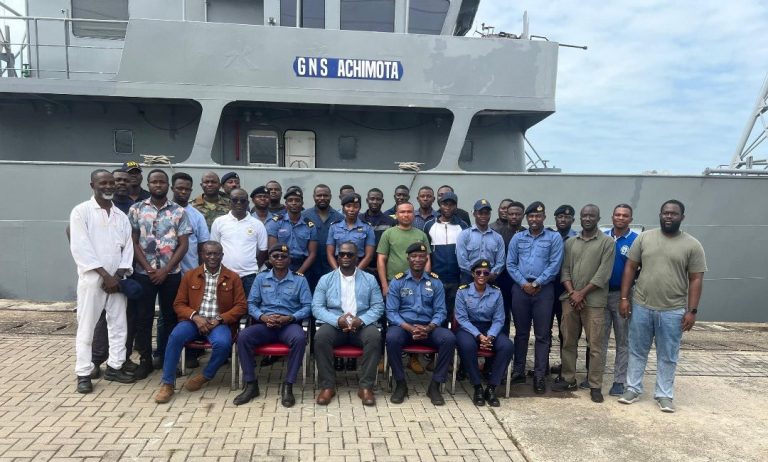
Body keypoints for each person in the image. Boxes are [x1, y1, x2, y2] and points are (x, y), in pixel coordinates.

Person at [618, 200, 706, 413]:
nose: (669, 216)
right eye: (665, 213)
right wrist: (624, 298)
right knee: (637, 350)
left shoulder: (692, 245)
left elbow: (696, 278)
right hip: (641, 305)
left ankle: (664, 395)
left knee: (668, 354)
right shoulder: (645, 238)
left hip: (673, 310)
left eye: (674, 214)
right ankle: (632, 388)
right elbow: (630, 267)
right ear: (660, 214)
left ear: (681, 217)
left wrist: (692, 310)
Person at [153, 241, 247, 403]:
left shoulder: (233, 277)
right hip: (194, 321)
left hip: (219, 323)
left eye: (216, 253)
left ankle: (205, 375)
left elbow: (241, 306)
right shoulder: (190, 276)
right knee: (175, 336)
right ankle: (167, 383)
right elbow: (179, 304)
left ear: (222, 255)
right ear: (201, 255)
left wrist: (219, 319)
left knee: (223, 344)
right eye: (208, 253)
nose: (212, 257)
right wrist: (195, 317)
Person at [69, 169, 136, 393]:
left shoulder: (121, 216)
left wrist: (117, 276)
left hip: (117, 280)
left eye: (111, 183)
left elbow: (128, 248)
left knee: (119, 325)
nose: (108, 187)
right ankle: (83, 372)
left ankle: (115, 366)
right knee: (87, 327)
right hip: (92, 279)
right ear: (93, 186)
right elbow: (81, 247)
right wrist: (105, 276)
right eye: (103, 183)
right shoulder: (82, 211)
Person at [127, 169, 191, 379]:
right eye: (154, 182)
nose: (158, 185)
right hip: (144, 274)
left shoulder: (179, 212)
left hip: (170, 274)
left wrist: (165, 269)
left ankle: (168, 359)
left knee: (171, 317)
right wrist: (148, 268)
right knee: (143, 318)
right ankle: (145, 360)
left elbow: (183, 244)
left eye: (162, 182)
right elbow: (133, 242)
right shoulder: (136, 209)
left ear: (168, 186)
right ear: (149, 183)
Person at [234, 244, 313, 408]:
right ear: (270, 259)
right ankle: (251, 384)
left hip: (288, 325)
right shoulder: (261, 278)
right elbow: (251, 304)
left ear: (289, 259)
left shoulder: (300, 279)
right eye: (275, 256)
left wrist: (290, 317)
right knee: (243, 336)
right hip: (266, 325)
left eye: (283, 256)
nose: (279, 259)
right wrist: (262, 317)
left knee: (299, 338)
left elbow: (308, 307)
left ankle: (288, 385)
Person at [552, 205, 615, 403]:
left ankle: (595, 384)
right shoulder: (571, 242)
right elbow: (565, 270)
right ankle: (569, 378)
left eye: (591, 215)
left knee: (595, 345)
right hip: (569, 300)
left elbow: (603, 274)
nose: (587, 218)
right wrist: (572, 293)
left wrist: (582, 294)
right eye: (584, 215)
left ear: (598, 218)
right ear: (580, 218)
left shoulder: (607, 243)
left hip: (594, 302)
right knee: (568, 342)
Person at [312, 242, 385, 406]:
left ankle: (365, 387)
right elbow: (316, 307)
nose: (345, 257)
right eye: (342, 254)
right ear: (337, 257)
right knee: (321, 337)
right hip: (335, 324)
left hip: (361, 325)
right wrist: (337, 320)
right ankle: (327, 386)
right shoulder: (326, 279)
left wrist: (362, 320)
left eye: (349, 254)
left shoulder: (369, 279)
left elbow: (378, 306)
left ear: (357, 257)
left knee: (374, 337)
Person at [385, 243, 455, 405]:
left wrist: (430, 327)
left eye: (421, 256)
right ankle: (400, 384)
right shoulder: (398, 281)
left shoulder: (435, 282)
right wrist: (409, 328)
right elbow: (391, 312)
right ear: (408, 259)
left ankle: (435, 385)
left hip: (428, 328)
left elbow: (440, 311)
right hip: (404, 327)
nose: (418, 259)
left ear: (426, 259)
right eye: (414, 256)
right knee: (391, 338)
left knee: (449, 338)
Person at [506, 201, 564, 394]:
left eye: (538, 216)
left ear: (543, 217)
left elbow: (555, 265)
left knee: (542, 335)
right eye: (531, 216)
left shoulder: (553, 238)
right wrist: (524, 283)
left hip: (544, 290)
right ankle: (518, 370)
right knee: (521, 333)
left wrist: (537, 283)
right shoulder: (518, 238)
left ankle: (539, 375)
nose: (534, 219)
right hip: (520, 288)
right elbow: (511, 264)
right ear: (526, 218)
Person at [454, 259, 513, 407]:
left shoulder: (496, 292)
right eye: (478, 272)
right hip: (468, 328)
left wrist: (491, 335)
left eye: (485, 273)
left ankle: (492, 388)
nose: (482, 275)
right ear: (473, 274)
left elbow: (499, 319)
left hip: (490, 328)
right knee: (467, 346)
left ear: (489, 275)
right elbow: (461, 318)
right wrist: (478, 336)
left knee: (507, 346)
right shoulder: (462, 291)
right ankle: (477, 387)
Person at [601, 204, 639, 397]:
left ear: (630, 219)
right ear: (612, 216)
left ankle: (619, 380)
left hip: (622, 296)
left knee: (623, 340)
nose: (621, 218)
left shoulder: (635, 240)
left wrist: (626, 297)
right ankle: (595, 378)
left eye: (625, 215)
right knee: (600, 339)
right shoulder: (603, 236)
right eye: (617, 214)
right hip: (600, 294)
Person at [210, 188, 268, 296]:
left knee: (249, 308)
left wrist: (254, 268)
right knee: (226, 307)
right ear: (229, 202)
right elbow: (214, 248)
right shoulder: (219, 222)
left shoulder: (257, 224)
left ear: (248, 202)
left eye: (242, 200)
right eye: (235, 200)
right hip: (225, 273)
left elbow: (264, 250)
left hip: (250, 276)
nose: (239, 203)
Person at [423, 191, 469, 324]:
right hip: (437, 279)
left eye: (451, 204)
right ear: (439, 205)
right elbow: (427, 253)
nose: (448, 207)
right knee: (438, 313)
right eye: (445, 204)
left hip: (457, 279)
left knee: (456, 316)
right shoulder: (429, 225)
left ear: (456, 207)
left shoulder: (463, 226)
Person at [547, 204, 579, 379]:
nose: (563, 220)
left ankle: (565, 368)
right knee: (544, 329)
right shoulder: (549, 236)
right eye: (560, 217)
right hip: (549, 286)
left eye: (567, 217)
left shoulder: (578, 238)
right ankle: (542, 364)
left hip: (568, 289)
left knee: (566, 331)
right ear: (555, 219)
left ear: (572, 220)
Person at [491, 200, 526, 336]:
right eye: (511, 214)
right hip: (502, 280)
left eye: (517, 214)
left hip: (520, 282)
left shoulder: (526, 233)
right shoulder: (498, 233)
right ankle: (503, 348)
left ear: (522, 215)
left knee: (520, 319)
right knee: (503, 316)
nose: (514, 217)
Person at [302, 184, 344, 289]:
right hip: (309, 266)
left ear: (330, 196)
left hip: (331, 265)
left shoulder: (340, 217)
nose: (322, 198)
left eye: (325, 195)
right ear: (313, 197)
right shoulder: (304, 216)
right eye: (319, 195)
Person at [456, 199, 505, 285]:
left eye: (486, 213)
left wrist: (490, 274)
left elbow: (501, 261)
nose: (483, 216)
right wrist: (477, 274)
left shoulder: (498, 237)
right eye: (480, 213)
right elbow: (462, 261)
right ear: (474, 214)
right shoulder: (464, 235)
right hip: (469, 278)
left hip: (490, 279)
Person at [171, 173, 210, 275]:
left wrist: (201, 272)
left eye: (187, 189)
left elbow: (203, 247)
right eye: (180, 188)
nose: (183, 192)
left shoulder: (197, 216)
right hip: (166, 274)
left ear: (191, 190)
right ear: (172, 188)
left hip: (189, 272)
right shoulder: (164, 212)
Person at [327, 193, 376, 271]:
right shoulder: (334, 227)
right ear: (343, 208)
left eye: (356, 206)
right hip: (338, 267)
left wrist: (357, 272)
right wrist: (337, 272)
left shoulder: (367, 227)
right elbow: (329, 254)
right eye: (348, 206)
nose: (352, 209)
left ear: (359, 208)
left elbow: (369, 255)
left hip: (360, 267)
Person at [361, 188, 397, 276]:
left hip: (384, 268)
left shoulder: (390, 221)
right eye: (372, 199)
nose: (375, 202)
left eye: (378, 199)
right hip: (361, 267)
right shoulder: (359, 219)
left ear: (382, 201)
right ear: (367, 200)